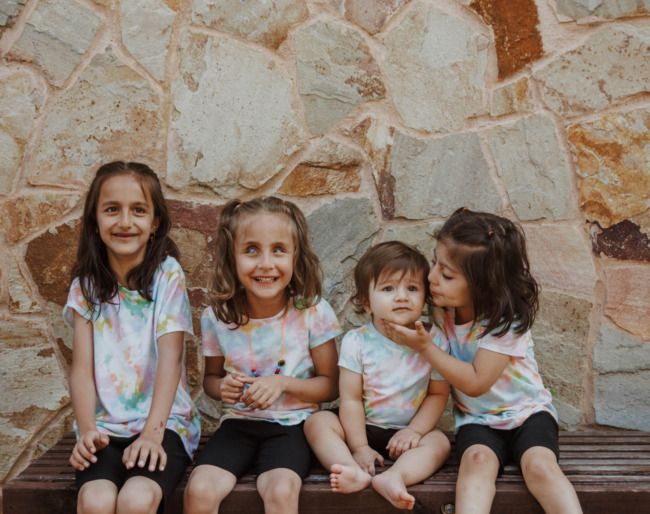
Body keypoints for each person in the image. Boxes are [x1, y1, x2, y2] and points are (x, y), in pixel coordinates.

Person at [384, 208, 582, 514]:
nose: (431, 276)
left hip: (528, 414)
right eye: (434, 261)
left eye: (446, 274)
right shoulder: (444, 307)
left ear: (483, 285)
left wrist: (425, 347)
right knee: (476, 463)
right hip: (476, 421)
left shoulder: (507, 322)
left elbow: (477, 382)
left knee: (540, 466)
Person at [184, 197, 342, 514]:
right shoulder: (217, 317)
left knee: (281, 491)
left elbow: (332, 386)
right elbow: (212, 380)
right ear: (232, 257)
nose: (266, 263)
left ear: (296, 256)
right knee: (199, 490)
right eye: (251, 249)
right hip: (237, 425)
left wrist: (284, 383)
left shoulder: (312, 312)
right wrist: (222, 388)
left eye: (278, 250)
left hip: (293, 427)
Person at [64, 161, 200, 514]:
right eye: (112, 209)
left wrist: (152, 435)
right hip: (105, 426)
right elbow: (81, 370)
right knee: (95, 501)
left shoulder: (166, 276)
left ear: (154, 223)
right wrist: (86, 430)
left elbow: (171, 361)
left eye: (138, 210)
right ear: (95, 220)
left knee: (135, 500)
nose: (125, 222)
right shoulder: (86, 286)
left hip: (163, 423)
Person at [305, 241, 451, 511]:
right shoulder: (357, 341)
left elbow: (438, 393)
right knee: (318, 422)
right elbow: (349, 399)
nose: (402, 296)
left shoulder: (434, 341)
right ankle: (353, 471)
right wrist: (359, 446)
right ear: (366, 302)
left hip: (409, 433)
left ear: (425, 296)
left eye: (412, 288)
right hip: (362, 428)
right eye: (388, 288)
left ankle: (396, 477)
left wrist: (414, 431)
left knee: (440, 442)